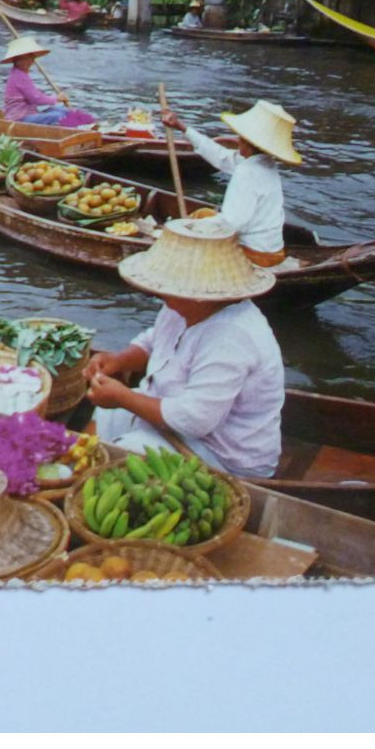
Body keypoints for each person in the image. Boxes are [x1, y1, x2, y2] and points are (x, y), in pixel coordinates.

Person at [82, 218, 284, 478]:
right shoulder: (183, 306)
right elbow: (154, 341)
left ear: (200, 292)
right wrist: (119, 361)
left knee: (126, 455)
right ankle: (78, 467)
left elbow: (194, 419)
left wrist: (122, 397)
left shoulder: (232, 337)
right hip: (171, 421)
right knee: (106, 417)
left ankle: (86, 477)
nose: (159, 293)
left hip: (222, 456)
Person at [160, 99, 301, 268]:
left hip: (254, 253)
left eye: (240, 136)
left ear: (249, 142)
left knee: (194, 226)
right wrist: (181, 127)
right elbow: (221, 156)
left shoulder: (248, 172)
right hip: (272, 249)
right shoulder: (264, 163)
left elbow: (231, 223)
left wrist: (185, 227)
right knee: (204, 214)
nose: (237, 139)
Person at [0, 36, 95, 127]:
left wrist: (56, 100)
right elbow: (36, 98)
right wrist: (57, 99)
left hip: (30, 113)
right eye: (23, 59)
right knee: (58, 116)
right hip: (20, 118)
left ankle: (88, 122)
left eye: (29, 58)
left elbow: (35, 97)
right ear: (16, 60)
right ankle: (79, 128)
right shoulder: (19, 76)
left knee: (61, 110)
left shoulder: (21, 74)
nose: (27, 62)